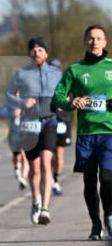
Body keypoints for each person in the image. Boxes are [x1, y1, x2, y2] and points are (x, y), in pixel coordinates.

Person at [52, 25, 112, 240]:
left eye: (98, 38)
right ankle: (95, 223)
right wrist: (71, 102)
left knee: (107, 178)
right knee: (89, 181)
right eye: (90, 38)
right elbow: (57, 97)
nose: (94, 42)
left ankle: (110, 216)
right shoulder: (75, 69)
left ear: (105, 42)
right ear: (85, 41)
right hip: (86, 135)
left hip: (108, 132)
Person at [5, 38, 62, 225]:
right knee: (35, 167)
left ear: (46, 53)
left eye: (40, 49)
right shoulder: (21, 73)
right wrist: (22, 102)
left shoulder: (56, 73)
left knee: (46, 164)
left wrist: (62, 104)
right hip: (29, 124)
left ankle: (45, 209)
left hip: (49, 122)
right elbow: (9, 95)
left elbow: (64, 93)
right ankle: (35, 199)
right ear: (29, 53)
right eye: (33, 49)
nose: (37, 52)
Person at [48, 58, 71, 195]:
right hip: (49, 121)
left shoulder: (67, 83)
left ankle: (55, 179)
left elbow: (72, 101)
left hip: (63, 121)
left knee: (60, 155)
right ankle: (50, 178)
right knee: (47, 154)